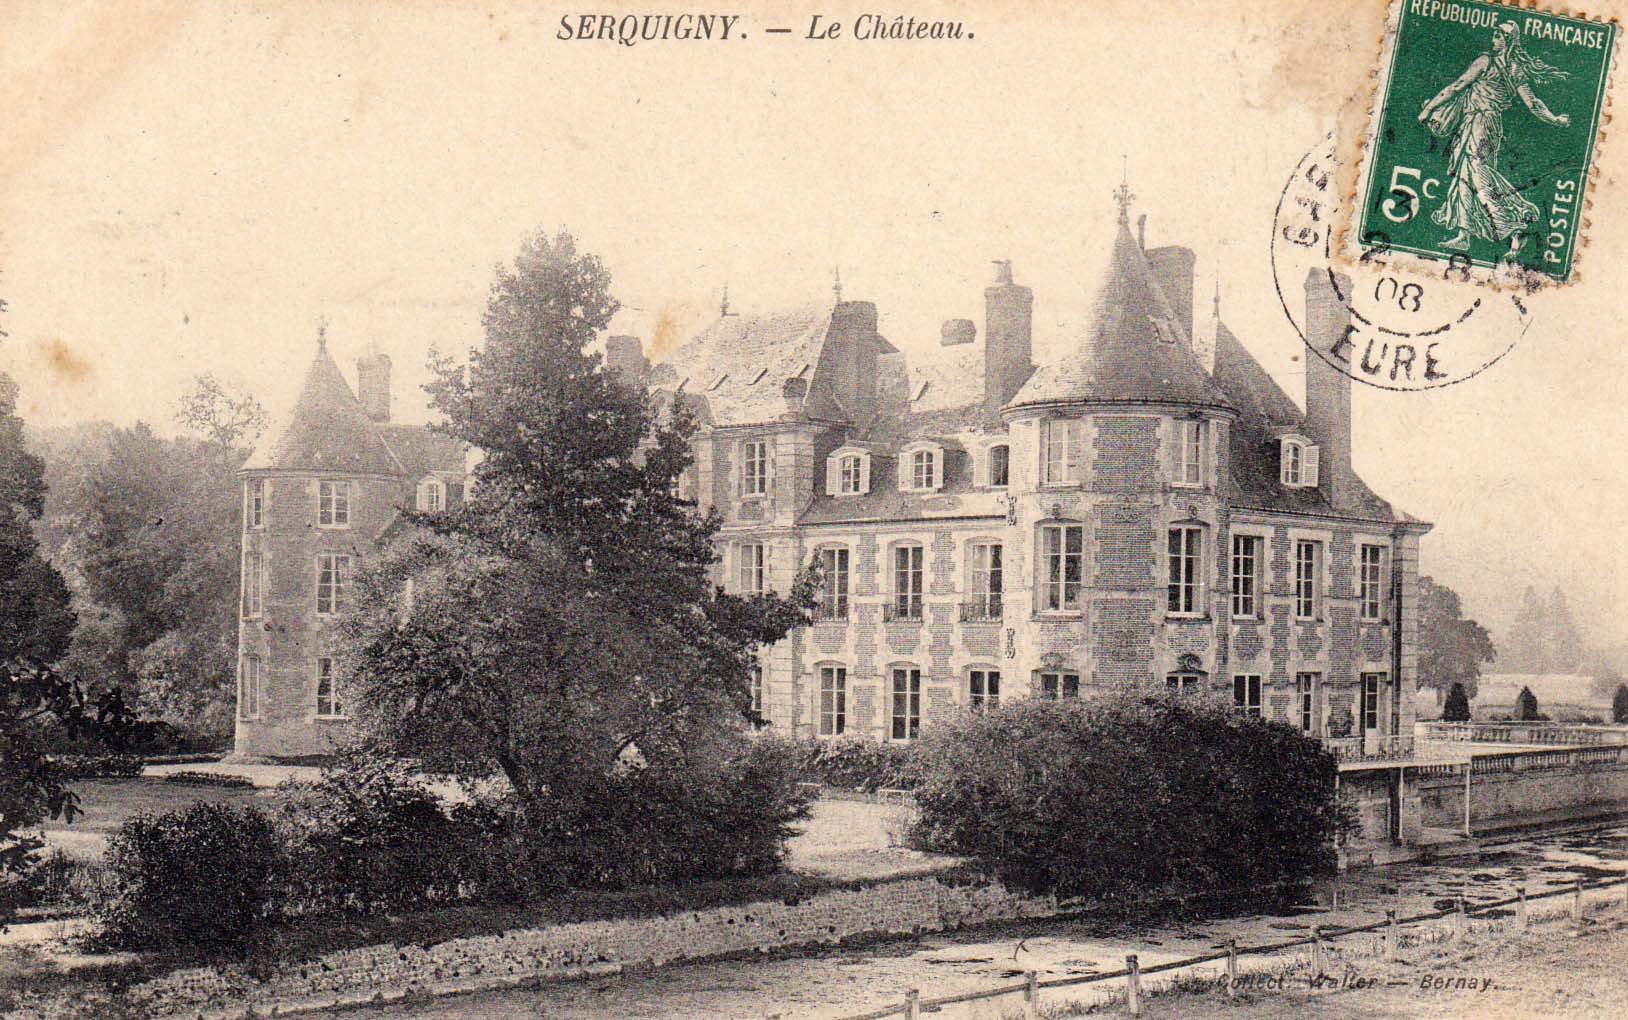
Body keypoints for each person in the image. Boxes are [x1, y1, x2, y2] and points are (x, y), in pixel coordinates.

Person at [1417, 22, 1571, 262]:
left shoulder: (1485, 62)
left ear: (1508, 40)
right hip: (1487, 126)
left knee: (1479, 177)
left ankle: (1516, 224)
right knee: (1465, 174)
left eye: (1498, 36)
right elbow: (1533, 104)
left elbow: (1457, 86)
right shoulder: (1516, 69)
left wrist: (1429, 108)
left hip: (1480, 124)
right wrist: (1555, 119)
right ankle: (1464, 234)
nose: (1493, 40)